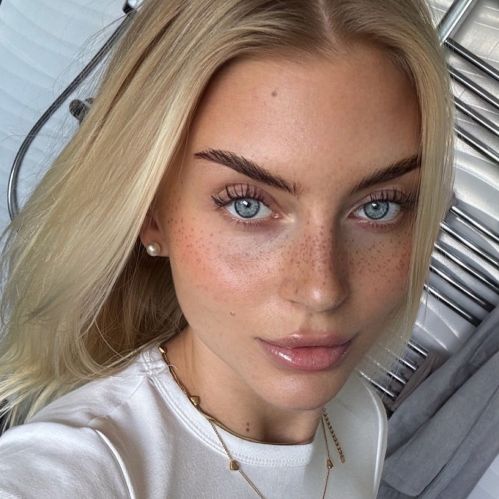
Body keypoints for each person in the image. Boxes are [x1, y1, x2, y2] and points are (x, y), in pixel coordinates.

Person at [0, 0, 454, 497]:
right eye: (247, 205)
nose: (321, 290)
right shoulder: (79, 472)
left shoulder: (356, 418)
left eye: (379, 207)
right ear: (152, 216)